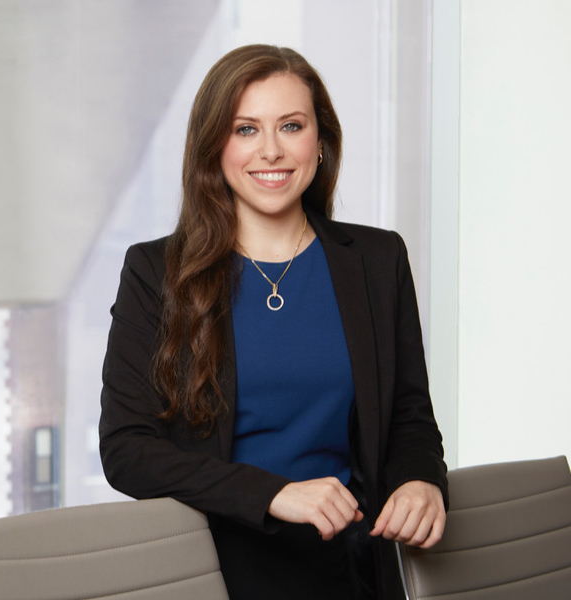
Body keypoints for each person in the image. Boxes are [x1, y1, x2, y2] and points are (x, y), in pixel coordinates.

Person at [99, 44, 447, 600]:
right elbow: (127, 449)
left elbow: (408, 415)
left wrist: (422, 479)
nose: (271, 151)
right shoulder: (156, 272)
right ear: (215, 144)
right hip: (217, 568)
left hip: (352, 569)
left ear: (320, 140)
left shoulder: (378, 260)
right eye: (245, 129)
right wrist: (272, 493)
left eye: (291, 125)